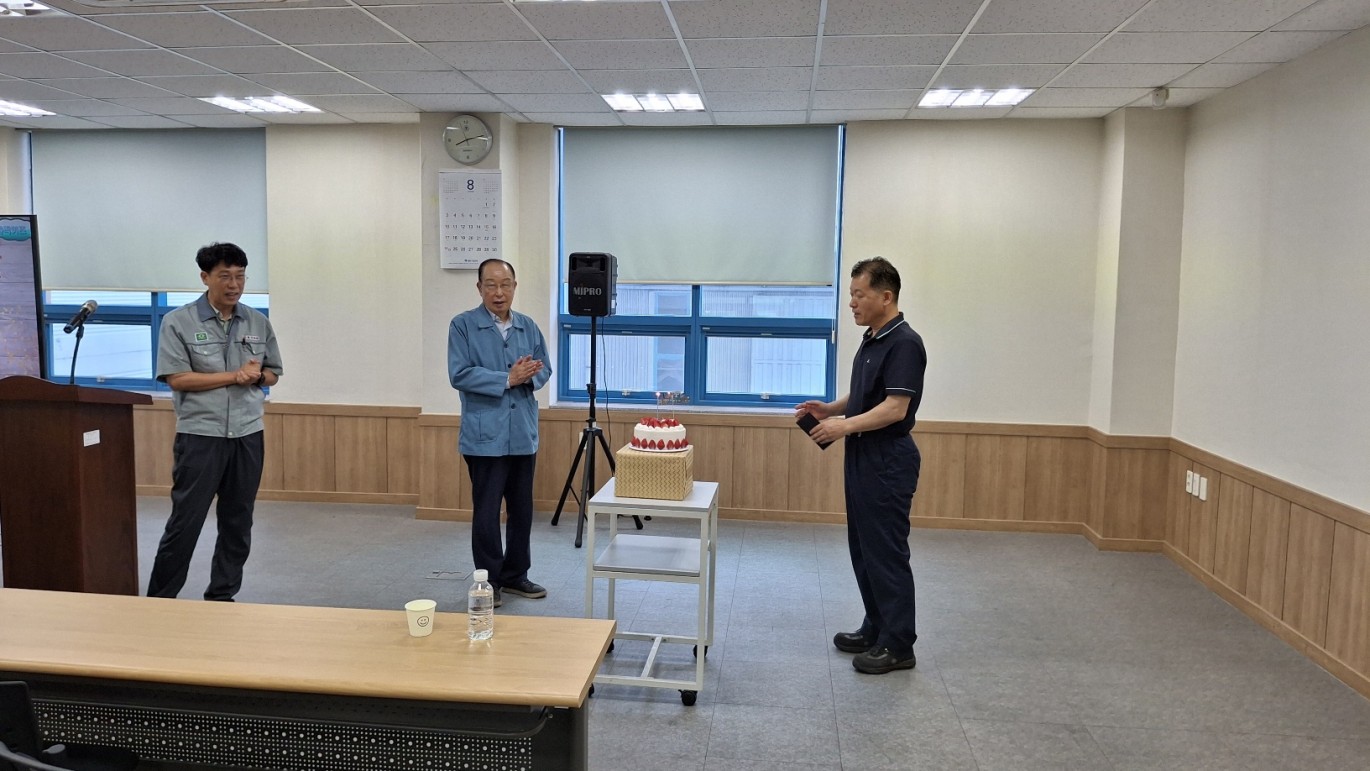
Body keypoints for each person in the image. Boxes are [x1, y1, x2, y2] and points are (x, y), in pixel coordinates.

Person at [797, 256, 926, 674]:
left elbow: (894, 407)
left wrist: (843, 426)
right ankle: (876, 626)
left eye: (859, 294)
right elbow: (866, 394)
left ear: (886, 297)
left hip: (888, 457)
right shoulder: (872, 338)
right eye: (851, 294)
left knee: (886, 550)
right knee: (863, 547)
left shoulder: (904, 343)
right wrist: (831, 408)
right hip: (863, 454)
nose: (851, 303)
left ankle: (899, 644)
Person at [147, 242, 282, 601]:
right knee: (185, 522)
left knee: (238, 521)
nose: (234, 284)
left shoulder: (257, 321)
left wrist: (258, 376)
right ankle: (160, 600)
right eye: (225, 276)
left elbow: (272, 374)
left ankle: (222, 597)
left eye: (240, 276)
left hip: (248, 434)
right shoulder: (178, 322)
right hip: (200, 435)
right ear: (205, 277)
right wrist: (235, 376)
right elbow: (178, 379)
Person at [448, 259, 552, 608]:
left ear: (514, 287)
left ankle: (516, 574)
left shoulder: (528, 326)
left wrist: (530, 375)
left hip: (522, 432)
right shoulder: (463, 325)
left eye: (505, 284)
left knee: (522, 509)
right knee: (487, 511)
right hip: (485, 435)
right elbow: (459, 374)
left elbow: (545, 367)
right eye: (491, 285)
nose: (498, 292)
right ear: (479, 288)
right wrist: (507, 378)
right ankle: (489, 580)